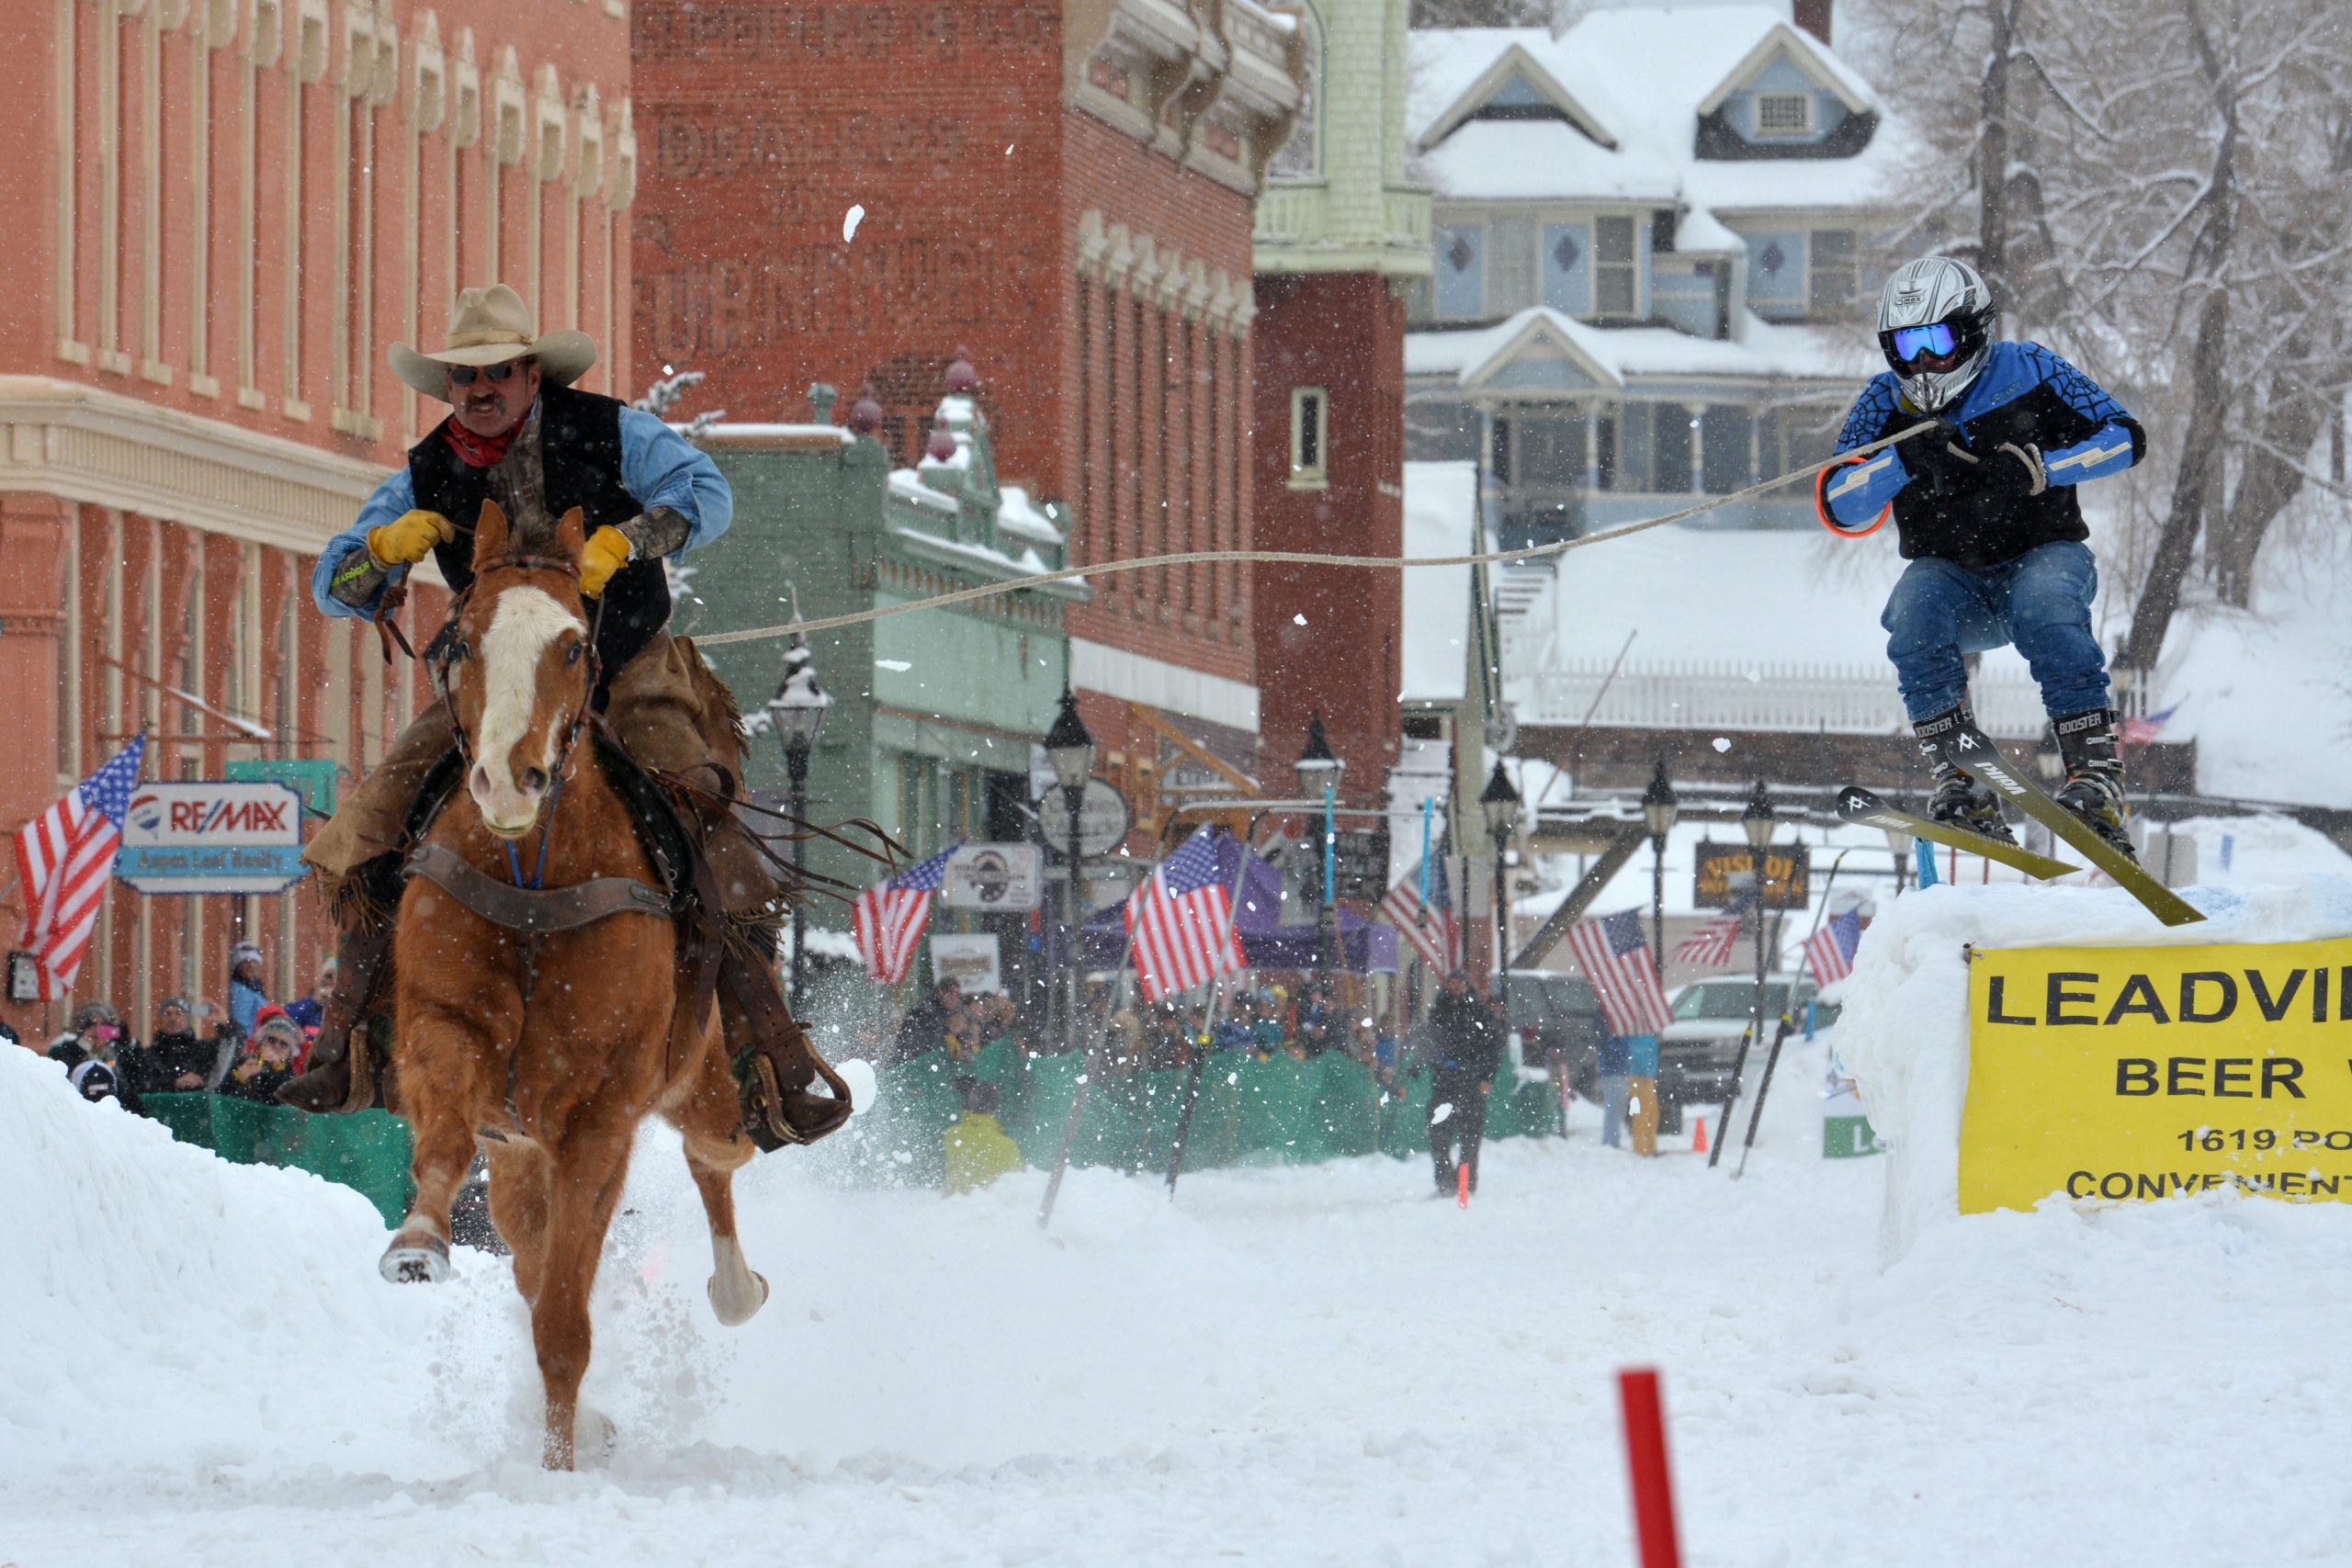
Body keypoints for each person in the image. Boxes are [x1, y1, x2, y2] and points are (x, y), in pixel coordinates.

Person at [281, 284, 846, 1149]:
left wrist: (632, 540)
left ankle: (768, 1054)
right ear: (448, 386)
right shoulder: (426, 468)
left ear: (530, 372)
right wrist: (378, 552)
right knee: (369, 824)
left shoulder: (612, 430)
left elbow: (709, 493)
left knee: (700, 811)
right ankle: (350, 1042)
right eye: (464, 375)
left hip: (624, 664)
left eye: (497, 370)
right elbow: (334, 585)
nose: (480, 388)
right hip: (499, 685)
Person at [1820, 256, 2147, 854]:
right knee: (1912, 608)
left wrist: (2045, 468)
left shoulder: (2032, 369)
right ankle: (1961, 773)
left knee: (2044, 604)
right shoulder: (1883, 404)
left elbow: (2125, 437)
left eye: (1935, 343)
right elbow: (1839, 503)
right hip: (1955, 582)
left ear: (1972, 330)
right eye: (1904, 347)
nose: (1920, 365)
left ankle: (2095, 772)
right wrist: (1903, 460)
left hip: (2044, 556)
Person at [1425, 971, 1501, 1195]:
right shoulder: (1439, 1011)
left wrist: (1488, 1077)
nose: (1456, 987)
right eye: (1452, 983)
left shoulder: (1479, 1013)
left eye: (1460, 983)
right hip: (1444, 1082)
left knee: (1470, 1137)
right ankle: (1444, 1179)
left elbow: (1492, 1048)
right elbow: (1429, 1041)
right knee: (1438, 1133)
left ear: (1467, 986)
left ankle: (1466, 1182)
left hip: (1471, 1081)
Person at [943, 1077, 1023, 1196]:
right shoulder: (1007, 1145)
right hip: (989, 1209)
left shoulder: (951, 1135)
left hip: (951, 1207)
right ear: (996, 1108)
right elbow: (1017, 1186)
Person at [121, 997, 219, 1095]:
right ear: (160, 1020)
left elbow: (224, 1061)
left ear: (188, 1019)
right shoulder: (147, 1056)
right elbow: (140, 1084)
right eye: (167, 1014)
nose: (173, 1019)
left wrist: (224, 1024)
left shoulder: (204, 1051)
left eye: (178, 1013)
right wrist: (174, 1083)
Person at [218, 1007, 305, 1103]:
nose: (276, 1046)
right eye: (272, 1040)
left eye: (283, 1044)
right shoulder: (244, 1061)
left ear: (289, 1053)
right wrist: (239, 1078)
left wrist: (271, 1071)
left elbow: (277, 1102)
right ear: (262, 1042)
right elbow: (220, 1097)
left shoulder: (289, 1076)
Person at [890, 976, 963, 1066]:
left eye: (957, 995)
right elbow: (923, 1040)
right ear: (940, 992)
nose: (954, 998)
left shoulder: (949, 1012)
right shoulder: (925, 1011)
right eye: (951, 992)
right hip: (912, 1064)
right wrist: (948, 1032)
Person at [1625, 1032, 1661, 1157]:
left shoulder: (1646, 1037)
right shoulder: (1643, 1037)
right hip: (1642, 1078)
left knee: (1651, 1113)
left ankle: (1648, 1145)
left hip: (1644, 1077)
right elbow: (1641, 1055)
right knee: (1643, 1113)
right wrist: (1647, 1072)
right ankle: (1642, 1146)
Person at [1597, 1032, 1634, 1149]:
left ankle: (1612, 1138)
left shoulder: (1619, 1035)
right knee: (1614, 1106)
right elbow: (1615, 1053)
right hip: (1613, 1073)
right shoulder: (1615, 1035)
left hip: (1616, 1073)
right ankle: (1610, 1140)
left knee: (1617, 1107)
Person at [225, 943, 270, 1040]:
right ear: (238, 965)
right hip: (249, 1047)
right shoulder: (240, 990)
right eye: (246, 962)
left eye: (254, 962)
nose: (251, 966)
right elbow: (240, 1025)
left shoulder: (255, 988)